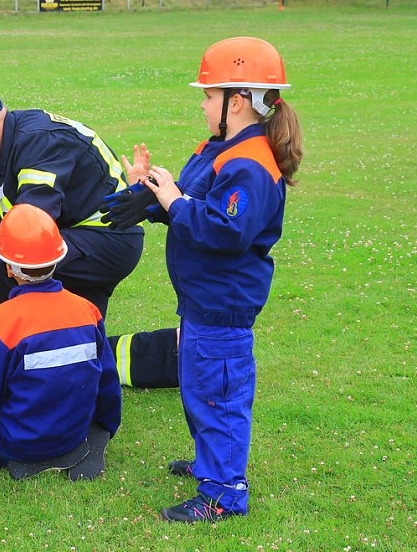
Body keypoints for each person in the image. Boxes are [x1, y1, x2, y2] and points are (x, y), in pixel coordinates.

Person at [111, 37, 303, 522]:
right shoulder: (219, 147)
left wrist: (174, 202)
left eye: (208, 95)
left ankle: (224, 493)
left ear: (236, 102)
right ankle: (209, 464)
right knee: (199, 387)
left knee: (219, 395)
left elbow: (226, 229)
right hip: (200, 299)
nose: (202, 103)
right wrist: (152, 196)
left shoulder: (251, 164)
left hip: (224, 301)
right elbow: (194, 199)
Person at [0, 84, 148, 351]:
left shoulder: (39, 140)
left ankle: (10, 348)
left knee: (11, 255)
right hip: (75, 233)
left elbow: (31, 220)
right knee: (81, 338)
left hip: (108, 238)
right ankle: (70, 357)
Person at [0, 204, 122, 481]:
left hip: (18, 441)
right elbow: (107, 379)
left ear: (9, 268)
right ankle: (77, 445)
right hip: (74, 432)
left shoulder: (3, 321)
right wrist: (105, 425)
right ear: (58, 258)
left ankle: (26, 455)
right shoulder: (88, 310)